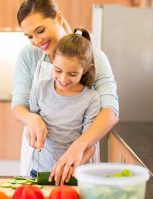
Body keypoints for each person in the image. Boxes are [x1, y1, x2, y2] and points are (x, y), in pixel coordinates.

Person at [13, 0, 119, 185]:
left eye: (40, 31)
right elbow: (18, 105)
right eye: (29, 36)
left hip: (80, 159)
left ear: (58, 18)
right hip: (39, 160)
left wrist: (79, 146)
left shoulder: (95, 57)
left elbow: (110, 112)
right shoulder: (28, 56)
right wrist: (32, 118)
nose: (37, 41)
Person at [29, 28, 100, 180]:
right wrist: (33, 128)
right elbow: (32, 122)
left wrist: (69, 167)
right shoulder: (39, 89)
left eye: (72, 74)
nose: (63, 78)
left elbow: (90, 146)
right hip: (38, 172)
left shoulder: (91, 98)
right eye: (58, 70)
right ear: (52, 62)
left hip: (72, 175)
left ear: (86, 70)